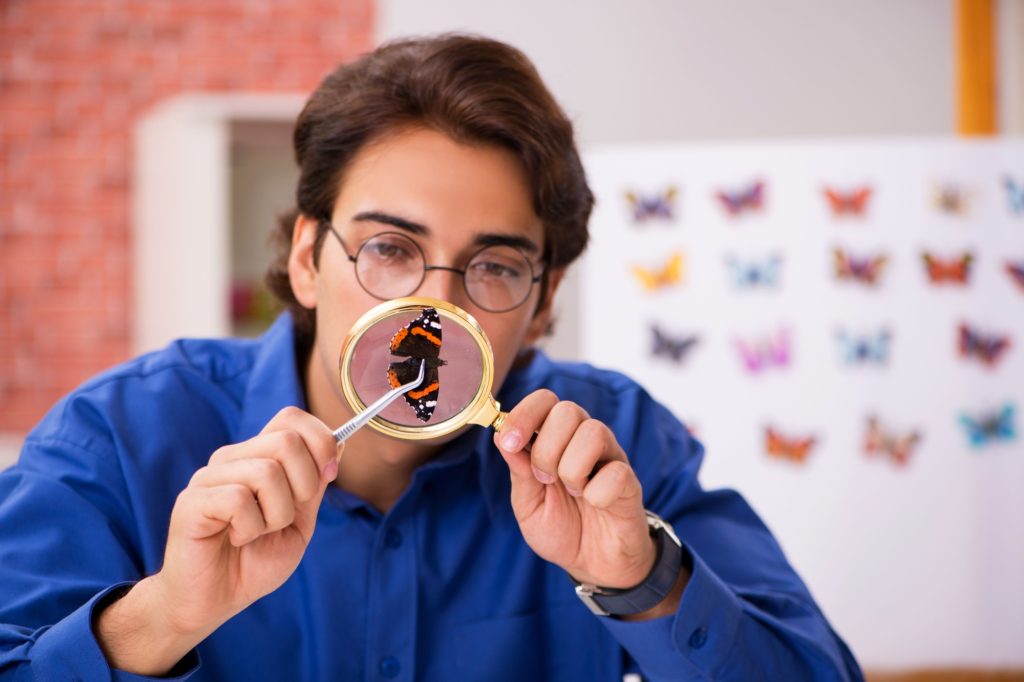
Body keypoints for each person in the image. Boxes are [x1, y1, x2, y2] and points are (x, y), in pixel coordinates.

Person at [0, 34, 863, 681]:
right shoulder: (117, 438)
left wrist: (645, 581)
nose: (437, 309)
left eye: (493, 267)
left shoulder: (617, 444)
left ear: (543, 304)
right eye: (388, 249)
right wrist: (164, 617)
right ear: (308, 258)